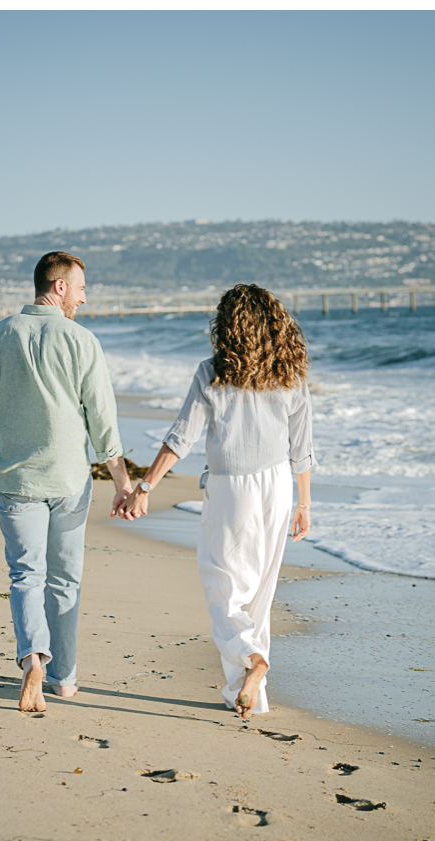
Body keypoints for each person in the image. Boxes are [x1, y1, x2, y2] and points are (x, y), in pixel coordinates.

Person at [119, 283, 314, 720]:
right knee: (259, 593)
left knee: (224, 586)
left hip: (232, 486)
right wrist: (304, 503)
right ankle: (247, 695)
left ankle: (252, 659)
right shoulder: (292, 374)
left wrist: (145, 486)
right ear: (275, 324)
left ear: (227, 325)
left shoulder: (213, 371)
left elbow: (180, 437)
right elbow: (302, 448)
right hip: (280, 484)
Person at [0, 251, 131, 713]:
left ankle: (33, 657)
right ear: (58, 287)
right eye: (79, 288)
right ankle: (65, 678)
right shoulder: (82, 340)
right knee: (65, 580)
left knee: (24, 575)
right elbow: (103, 419)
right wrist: (121, 482)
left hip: (16, 478)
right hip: (70, 480)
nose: (83, 297)